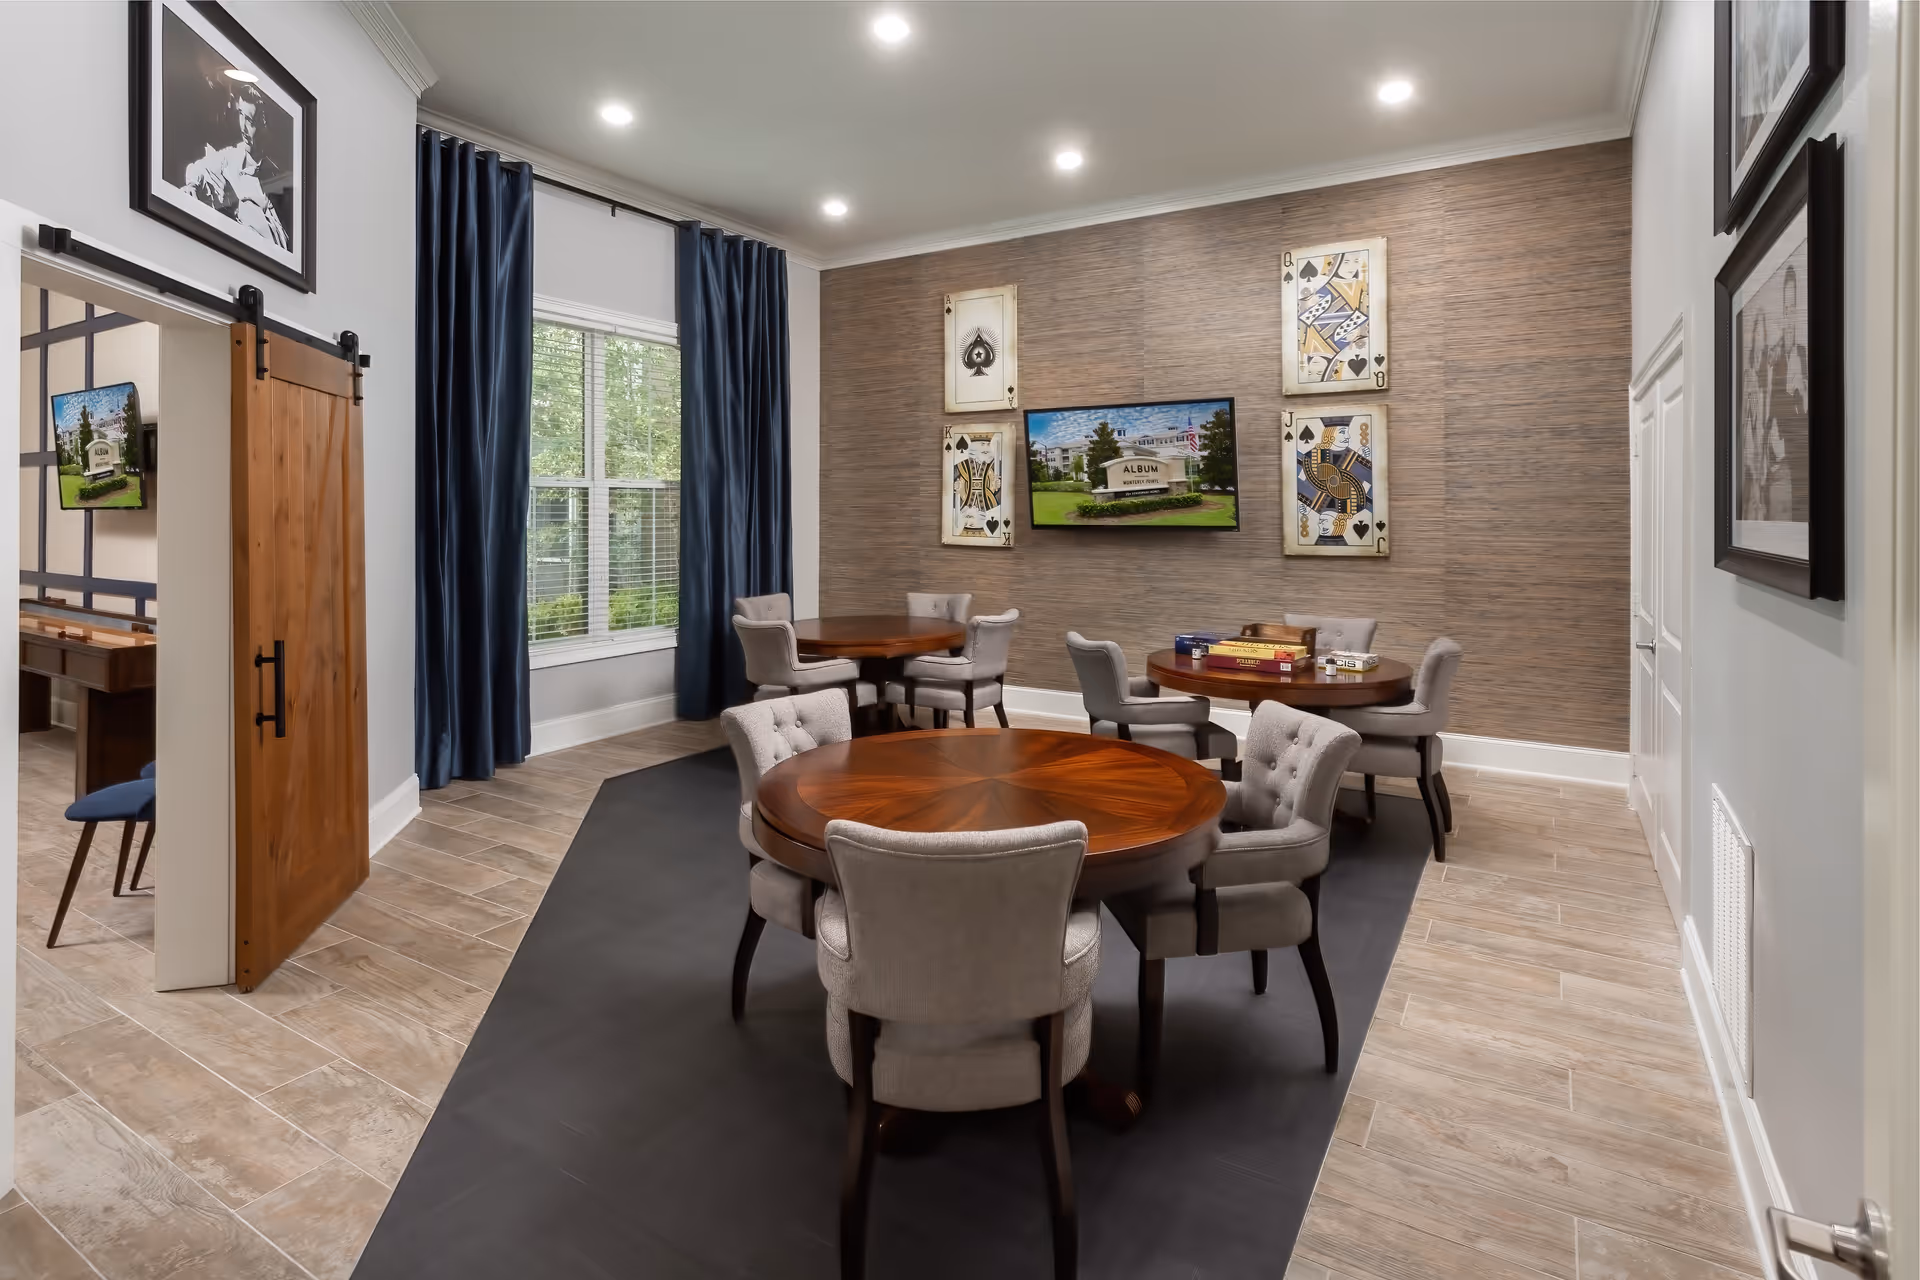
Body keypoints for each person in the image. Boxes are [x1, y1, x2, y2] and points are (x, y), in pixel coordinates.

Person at [181, 84, 290, 250]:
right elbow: (199, 168)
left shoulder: (279, 174)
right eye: (241, 115)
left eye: (250, 121)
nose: (243, 128)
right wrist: (192, 185)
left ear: (263, 124)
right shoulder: (231, 157)